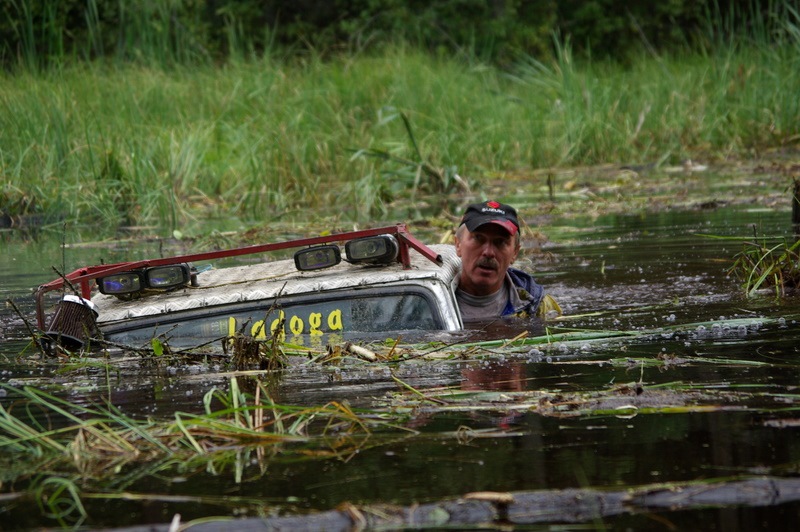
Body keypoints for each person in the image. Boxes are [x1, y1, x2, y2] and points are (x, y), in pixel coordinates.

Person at [454, 200, 560, 321]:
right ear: (458, 245)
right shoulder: (432, 300)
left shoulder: (537, 306)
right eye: (479, 239)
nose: (488, 253)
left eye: (500, 242)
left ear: (515, 253)